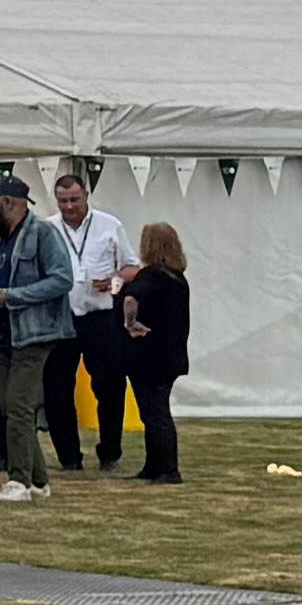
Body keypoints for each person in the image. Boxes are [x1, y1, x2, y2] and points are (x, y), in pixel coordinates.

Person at [0, 170, 71, 499]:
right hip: (4, 336)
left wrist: (12, 296)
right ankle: (38, 481)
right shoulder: (5, 240)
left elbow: (63, 279)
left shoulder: (42, 233)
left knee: (20, 408)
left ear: (9, 203)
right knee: (11, 409)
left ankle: (19, 480)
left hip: (34, 334)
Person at [56, 156, 140, 475]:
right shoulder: (49, 227)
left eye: (74, 200)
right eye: (63, 201)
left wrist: (114, 282)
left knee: (109, 386)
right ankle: (68, 457)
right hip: (62, 317)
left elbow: (133, 267)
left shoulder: (109, 224)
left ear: (86, 197)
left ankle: (110, 452)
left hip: (100, 316)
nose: (69, 207)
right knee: (58, 388)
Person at [122, 220, 195, 482]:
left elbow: (131, 298)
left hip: (150, 356)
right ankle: (153, 465)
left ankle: (167, 468)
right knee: (155, 411)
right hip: (172, 354)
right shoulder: (178, 278)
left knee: (155, 413)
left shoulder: (150, 276)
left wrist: (130, 323)